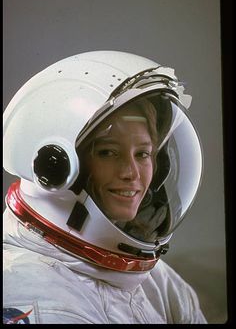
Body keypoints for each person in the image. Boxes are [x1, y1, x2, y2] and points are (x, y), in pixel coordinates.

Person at [3, 50, 207, 324]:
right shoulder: (35, 295)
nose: (132, 173)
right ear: (55, 170)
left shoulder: (156, 281)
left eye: (143, 154)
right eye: (108, 153)